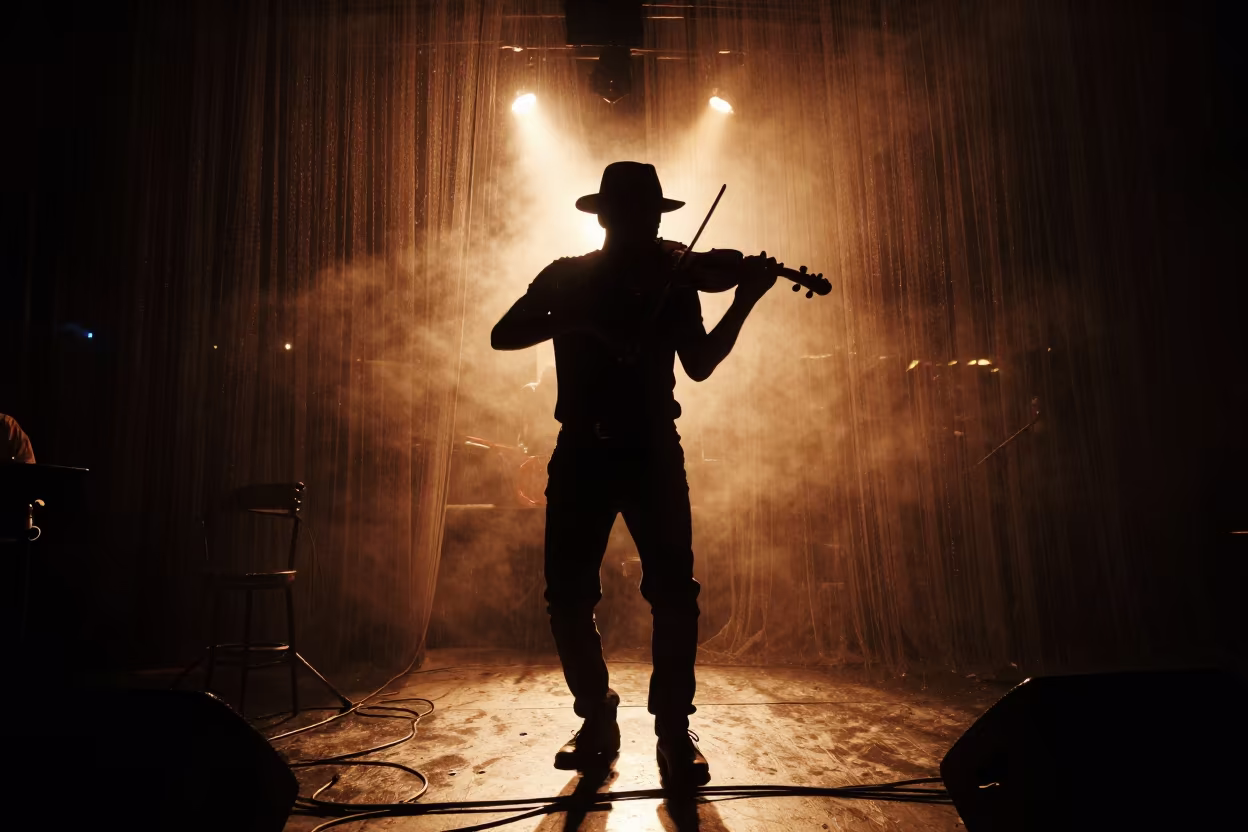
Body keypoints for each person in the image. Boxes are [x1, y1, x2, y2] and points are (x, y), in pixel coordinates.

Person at [491, 161, 775, 785]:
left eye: (653, 217)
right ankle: (597, 718)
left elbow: (698, 365)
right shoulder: (566, 278)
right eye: (636, 217)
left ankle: (675, 730)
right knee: (567, 597)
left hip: (652, 450)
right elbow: (502, 334)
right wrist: (583, 321)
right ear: (608, 219)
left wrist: (746, 300)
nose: (649, 229)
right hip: (582, 454)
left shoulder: (675, 283)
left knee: (676, 596)